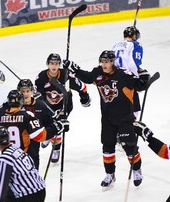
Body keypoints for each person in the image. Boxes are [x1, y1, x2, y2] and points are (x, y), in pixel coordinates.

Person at [63, 50, 150, 190]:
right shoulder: (98, 73)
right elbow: (87, 77)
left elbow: (140, 86)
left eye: (107, 62)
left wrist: (144, 78)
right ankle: (110, 174)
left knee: (129, 145)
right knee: (107, 146)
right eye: (102, 62)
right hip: (107, 118)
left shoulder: (123, 74)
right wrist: (75, 68)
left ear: (113, 62)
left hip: (125, 117)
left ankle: (136, 170)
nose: (104, 64)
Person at [0, 89, 69, 159]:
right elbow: (40, 136)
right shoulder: (27, 116)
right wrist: (57, 126)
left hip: (6, 158)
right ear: (21, 102)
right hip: (23, 159)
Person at [35, 53, 91, 163]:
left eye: (56, 64)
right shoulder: (41, 77)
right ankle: (48, 136)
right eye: (51, 63)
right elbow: (38, 95)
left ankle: (56, 149)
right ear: (47, 64)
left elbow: (82, 86)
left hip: (64, 106)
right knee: (46, 124)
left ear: (59, 65)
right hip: (48, 106)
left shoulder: (66, 75)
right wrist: (37, 97)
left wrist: (84, 97)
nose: (54, 66)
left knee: (58, 125)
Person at [0, 127, 46, 202]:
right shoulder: (18, 150)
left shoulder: (4, 159)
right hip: (39, 192)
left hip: (28, 197)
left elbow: (3, 186)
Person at [17, 78, 54, 169]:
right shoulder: (14, 105)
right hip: (18, 140)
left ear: (32, 91)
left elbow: (50, 119)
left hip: (34, 139)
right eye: (22, 91)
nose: (25, 94)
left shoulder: (40, 104)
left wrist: (57, 124)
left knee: (33, 166)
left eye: (27, 91)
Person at [112, 26, 144, 118]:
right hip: (128, 78)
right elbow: (134, 63)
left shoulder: (115, 45)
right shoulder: (136, 45)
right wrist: (137, 77)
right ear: (134, 36)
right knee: (134, 109)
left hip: (115, 77)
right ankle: (130, 127)